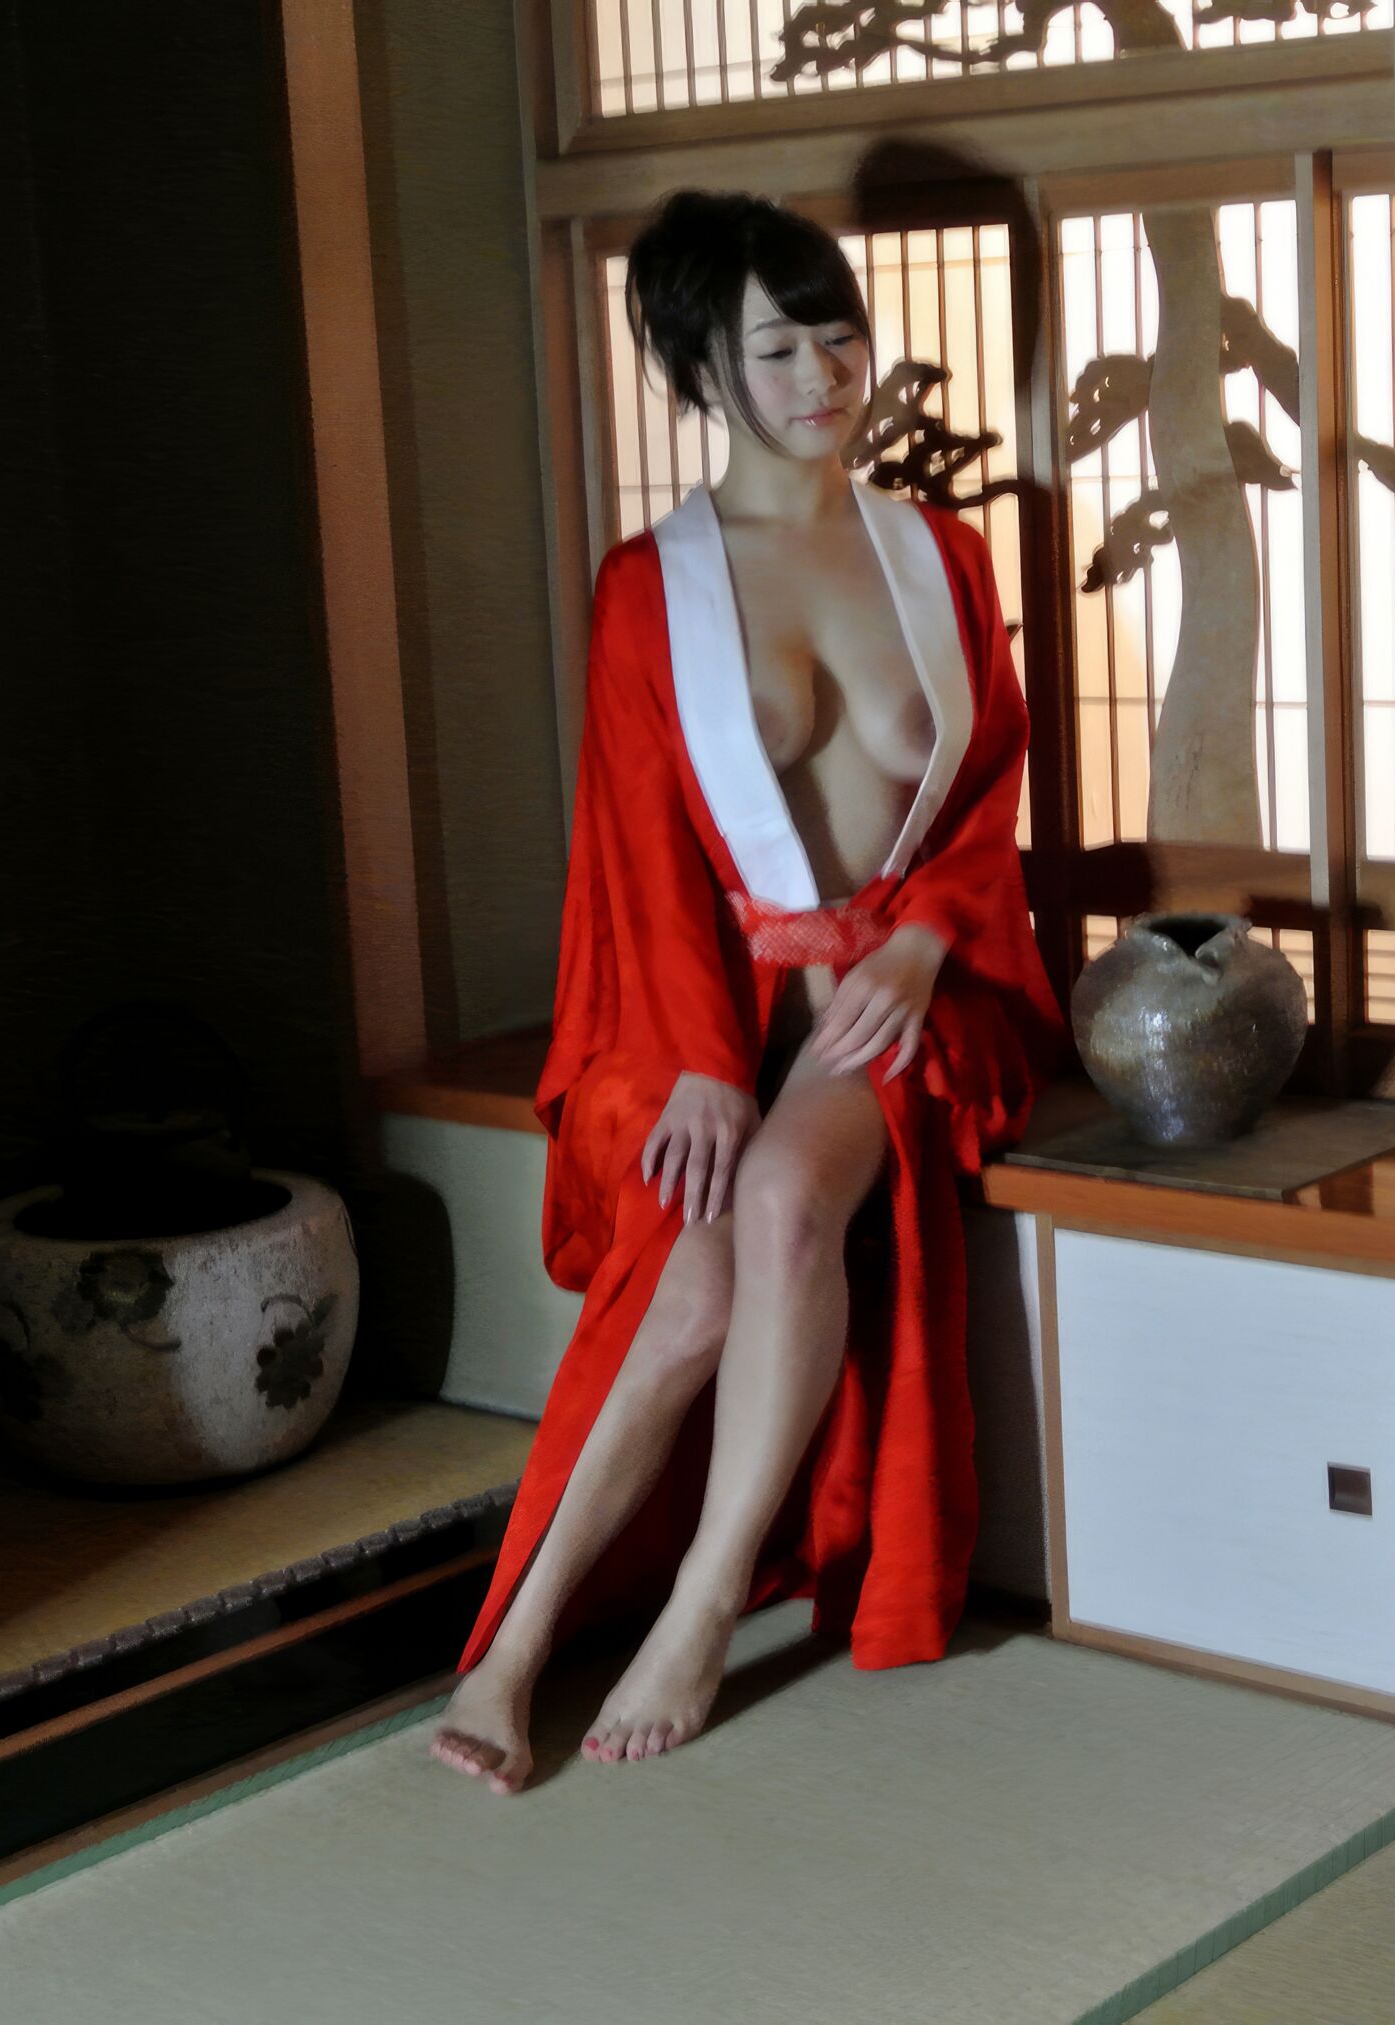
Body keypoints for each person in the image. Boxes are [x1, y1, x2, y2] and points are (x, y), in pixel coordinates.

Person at [429, 189, 1064, 1796]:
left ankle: (703, 1609)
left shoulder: (940, 552)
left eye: (838, 334)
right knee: (691, 1287)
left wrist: (926, 938)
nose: (822, 374)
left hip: (915, 987)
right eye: (776, 348)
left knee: (784, 1199)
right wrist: (705, 1061)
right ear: (700, 367)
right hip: (709, 1004)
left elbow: (990, 781)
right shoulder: (651, 587)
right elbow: (636, 851)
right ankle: (514, 1646)